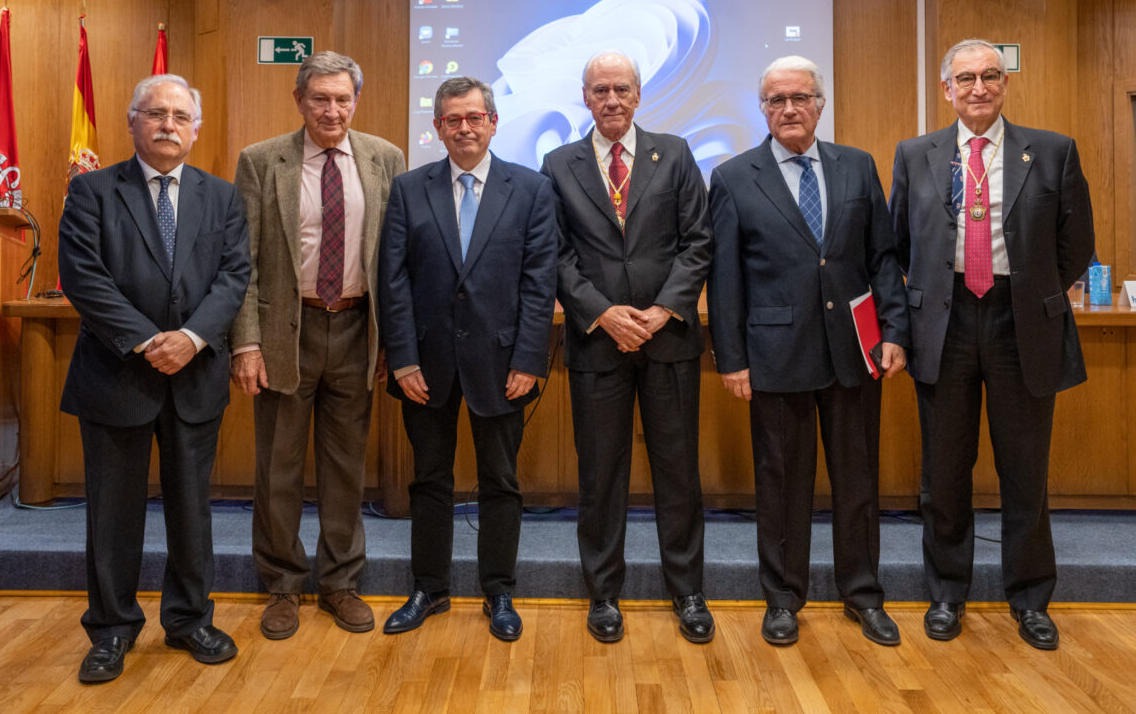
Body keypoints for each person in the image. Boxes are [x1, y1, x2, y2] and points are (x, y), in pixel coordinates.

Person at [891, 39, 1094, 651]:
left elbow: (1076, 242)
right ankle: (947, 593)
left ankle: (1030, 598)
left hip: (1021, 324)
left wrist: (1033, 294)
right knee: (944, 471)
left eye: (990, 76)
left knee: (1024, 471)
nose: (978, 88)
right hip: (943, 325)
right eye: (965, 78)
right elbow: (901, 242)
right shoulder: (914, 154)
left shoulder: (1052, 150)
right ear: (946, 88)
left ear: (1004, 84)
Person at [708, 56, 910, 647]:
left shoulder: (856, 166)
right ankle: (782, 597)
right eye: (775, 100)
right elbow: (725, 280)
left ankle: (864, 595)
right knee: (781, 484)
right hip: (774, 355)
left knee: (858, 482)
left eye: (799, 97)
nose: (789, 109)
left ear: (820, 103)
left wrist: (893, 331)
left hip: (854, 355)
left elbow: (883, 258)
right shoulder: (733, 176)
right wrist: (732, 358)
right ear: (762, 109)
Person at [58, 74, 250, 683]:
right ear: (132, 121)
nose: (169, 124)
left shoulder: (221, 197)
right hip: (117, 375)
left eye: (180, 116)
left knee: (192, 509)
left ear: (195, 128)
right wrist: (148, 341)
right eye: (156, 113)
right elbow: (84, 278)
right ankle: (111, 630)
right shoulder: (91, 191)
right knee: (112, 513)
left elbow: (233, 277)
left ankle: (191, 620)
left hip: (194, 378)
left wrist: (190, 339)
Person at [229, 51, 405, 640]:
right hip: (288, 332)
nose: (333, 110)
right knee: (278, 468)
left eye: (343, 99)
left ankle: (340, 583)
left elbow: (394, 261)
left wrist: (393, 342)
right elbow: (243, 261)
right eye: (321, 99)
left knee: (345, 468)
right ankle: (281, 585)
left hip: (357, 330)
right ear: (300, 100)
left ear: (356, 100)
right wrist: (246, 343)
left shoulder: (385, 158)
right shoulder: (261, 161)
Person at [541, 51, 714, 644]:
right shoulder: (557, 163)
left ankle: (687, 590)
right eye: (599, 90)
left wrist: (663, 309)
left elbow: (698, 241)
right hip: (597, 343)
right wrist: (602, 312)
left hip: (669, 341)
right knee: (601, 475)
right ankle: (603, 593)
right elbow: (555, 253)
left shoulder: (677, 152)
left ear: (639, 94)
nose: (611, 99)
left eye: (621, 88)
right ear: (583, 97)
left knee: (677, 471)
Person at [378, 76, 557, 641]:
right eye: (452, 120)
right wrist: (402, 359)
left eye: (474, 117)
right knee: (428, 480)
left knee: (500, 482)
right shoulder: (409, 189)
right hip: (425, 367)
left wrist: (529, 358)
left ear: (493, 122)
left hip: (505, 365)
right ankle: (428, 588)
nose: (464, 128)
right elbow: (393, 281)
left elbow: (538, 282)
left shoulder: (530, 189)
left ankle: (498, 591)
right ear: (437, 128)